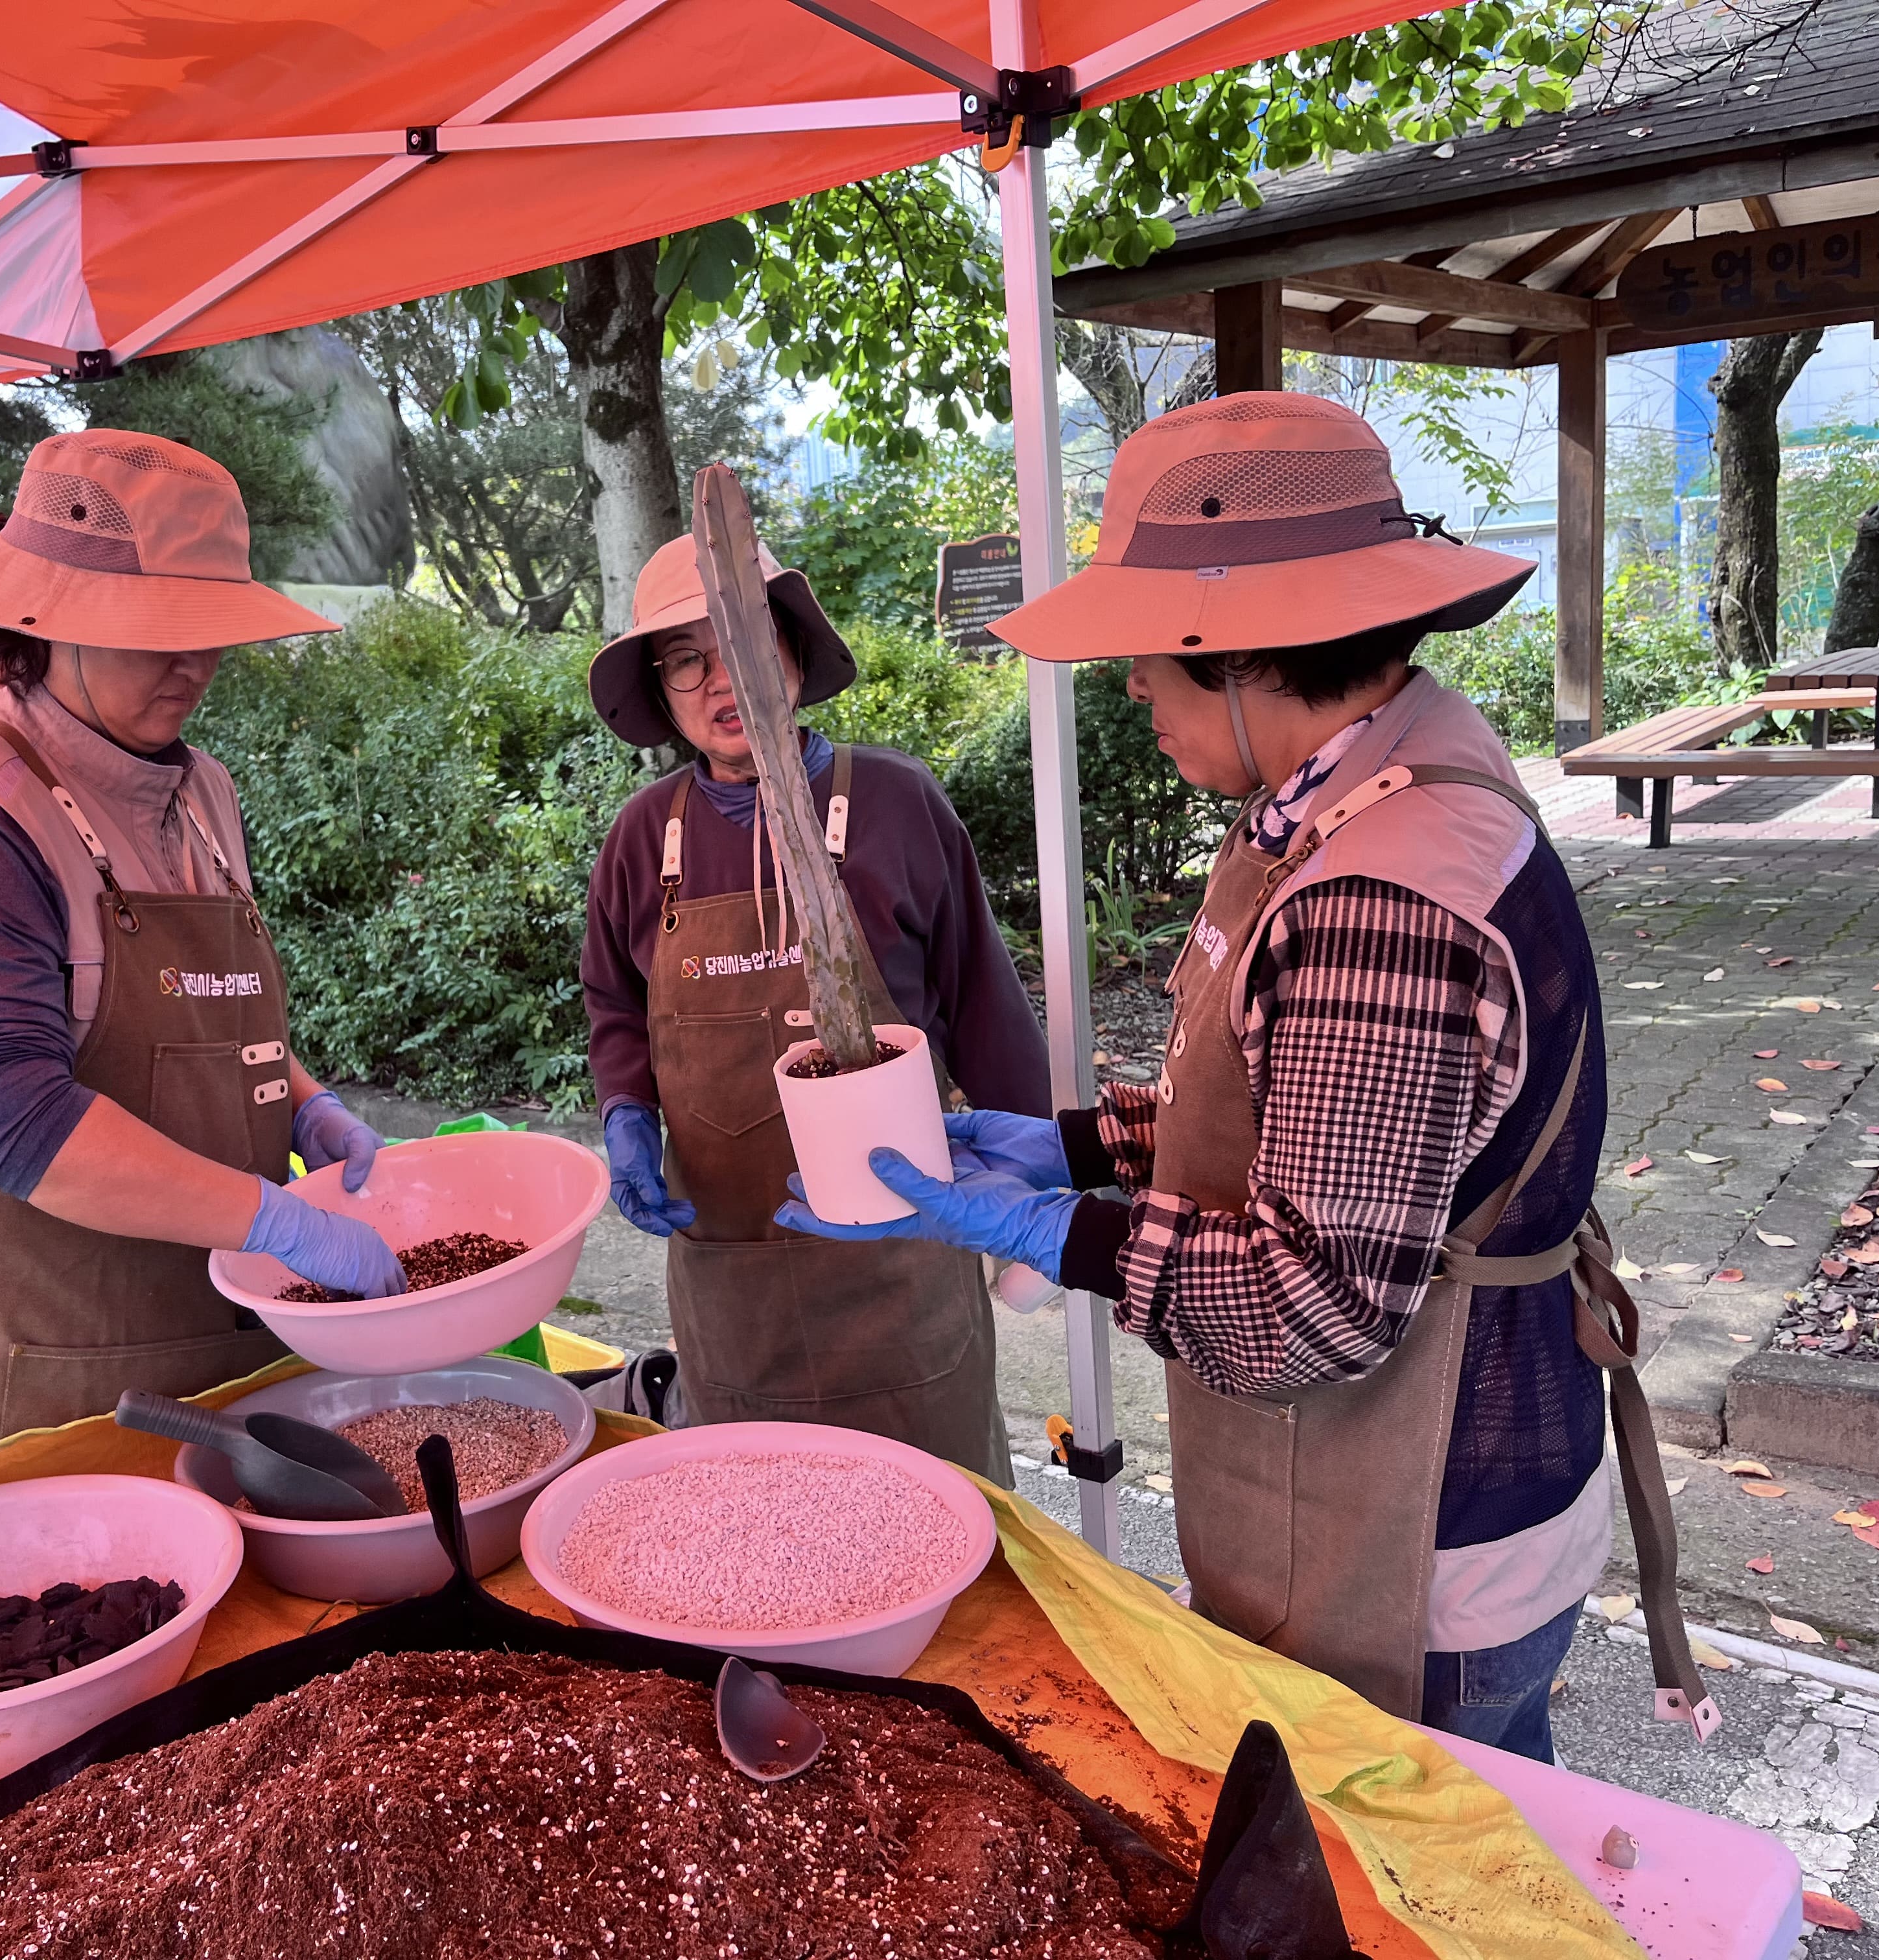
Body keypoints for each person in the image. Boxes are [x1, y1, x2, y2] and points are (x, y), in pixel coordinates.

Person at [782, 394, 1711, 1760]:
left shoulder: (1383, 894)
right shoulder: (1383, 782)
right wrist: (1087, 1143)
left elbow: (1316, 1300)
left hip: (1414, 1540)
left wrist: (1062, 1233)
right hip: (1444, 1486)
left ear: (1239, 646)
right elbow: (1324, 1116)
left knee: (1417, 1888)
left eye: (1151, 653)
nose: (1135, 687)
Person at [0, 431, 404, 1476]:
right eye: (156, 631)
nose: (192, 665)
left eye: (208, 629)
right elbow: (11, 1119)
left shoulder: (204, 792)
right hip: (56, 1393)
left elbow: (205, 1021)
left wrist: (302, 1101)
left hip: (238, 1363)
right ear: (41, 621)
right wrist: (275, 1222)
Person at [581, 533, 1049, 1484]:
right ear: (661, 693)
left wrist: (1032, 1205)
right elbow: (616, 1008)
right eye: (686, 661)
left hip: (902, 1271)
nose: (723, 683)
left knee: (941, 1531)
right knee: (762, 1531)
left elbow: (983, 1005)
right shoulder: (644, 840)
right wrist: (627, 1115)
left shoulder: (893, 801)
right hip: (731, 1281)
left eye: (746, 643)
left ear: (791, 651)